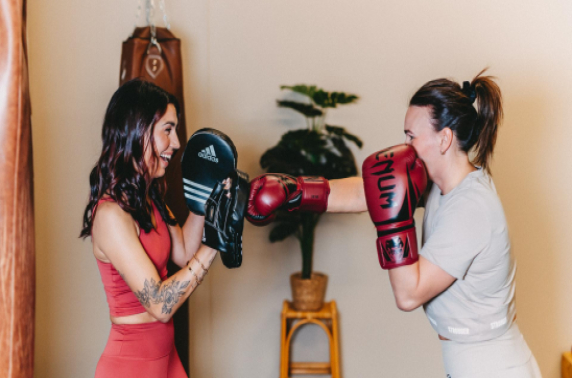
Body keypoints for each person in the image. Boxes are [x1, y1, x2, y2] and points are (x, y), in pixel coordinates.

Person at [247, 70, 542, 377]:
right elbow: (369, 192)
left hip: (493, 367)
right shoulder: (446, 185)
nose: (405, 145)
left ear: (444, 138)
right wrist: (296, 191)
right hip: (473, 362)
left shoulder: (471, 208)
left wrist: (393, 223)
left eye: (412, 136)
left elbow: (409, 294)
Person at [80, 79, 222, 378]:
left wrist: (206, 195)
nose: (177, 142)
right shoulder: (111, 214)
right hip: (130, 367)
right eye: (168, 130)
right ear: (138, 130)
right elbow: (159, 303)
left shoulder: (149, 198)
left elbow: (183, 254)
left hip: (167, 361)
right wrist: (216, 243)